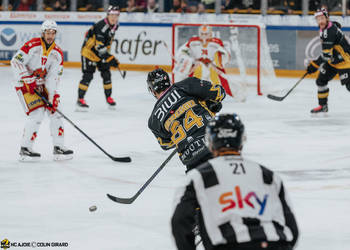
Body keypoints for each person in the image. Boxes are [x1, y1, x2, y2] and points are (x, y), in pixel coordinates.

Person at [171, 113, 299, 250]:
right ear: (241, 140)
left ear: (210, 142)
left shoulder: (198, 177)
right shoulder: (268, 175)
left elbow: (180, 222)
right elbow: (292, 228)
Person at [10, 20, 73, 161]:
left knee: (56, 112)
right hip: (25, 84)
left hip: (42, 85)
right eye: (47, 32)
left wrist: (52, 96)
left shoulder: (57, 54)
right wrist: (27, 79)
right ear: (42, 33)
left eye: (52, 33)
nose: (50, 35)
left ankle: (59, 148)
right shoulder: (33, 45)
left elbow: (53, 77)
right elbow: (15, 61)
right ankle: (25, 149)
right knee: (37, 114)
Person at [147, 68, 226, 171]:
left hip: (191, 159)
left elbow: (167, 144)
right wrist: (208, 105)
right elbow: (220, 92)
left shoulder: (153, 120)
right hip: (214, 143)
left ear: (153, 91)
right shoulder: (186, 85)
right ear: (168, 81)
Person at [306, 8, 350, 114]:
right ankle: (323, 106)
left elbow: (326, 56)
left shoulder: (329, 31)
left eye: (322, 18)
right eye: (317, 19)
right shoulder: (327, 26)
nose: (320, 21)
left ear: (327, 18)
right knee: (320, 81)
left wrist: (314, 65)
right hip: (333, 61)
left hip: (345, 62)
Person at [77, 5, 121, 110]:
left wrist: (109, 58)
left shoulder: (115, 26)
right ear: (107, 15)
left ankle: (109, 97)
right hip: (89, 53)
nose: (114, 17)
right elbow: (99, 47)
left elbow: (106, 43)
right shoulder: (101, 27)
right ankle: (80, 99)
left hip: (100, 54)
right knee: (88, 76)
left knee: (107, 74)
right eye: (112, 15)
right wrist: (110, 58)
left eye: (116, 15)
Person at [174, 25, 235, 97]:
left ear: (210, 34)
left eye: (206, 34)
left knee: (216, 78)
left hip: (212, 67)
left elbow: (224, 56)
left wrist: (215, 63)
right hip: (197, 66)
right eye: (202, 34)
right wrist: (190, 60)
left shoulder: (217, 42)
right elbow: (183, 51)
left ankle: (217, 93)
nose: (204, 36)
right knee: (194, 75)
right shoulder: (193, 41)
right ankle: (193, 92)